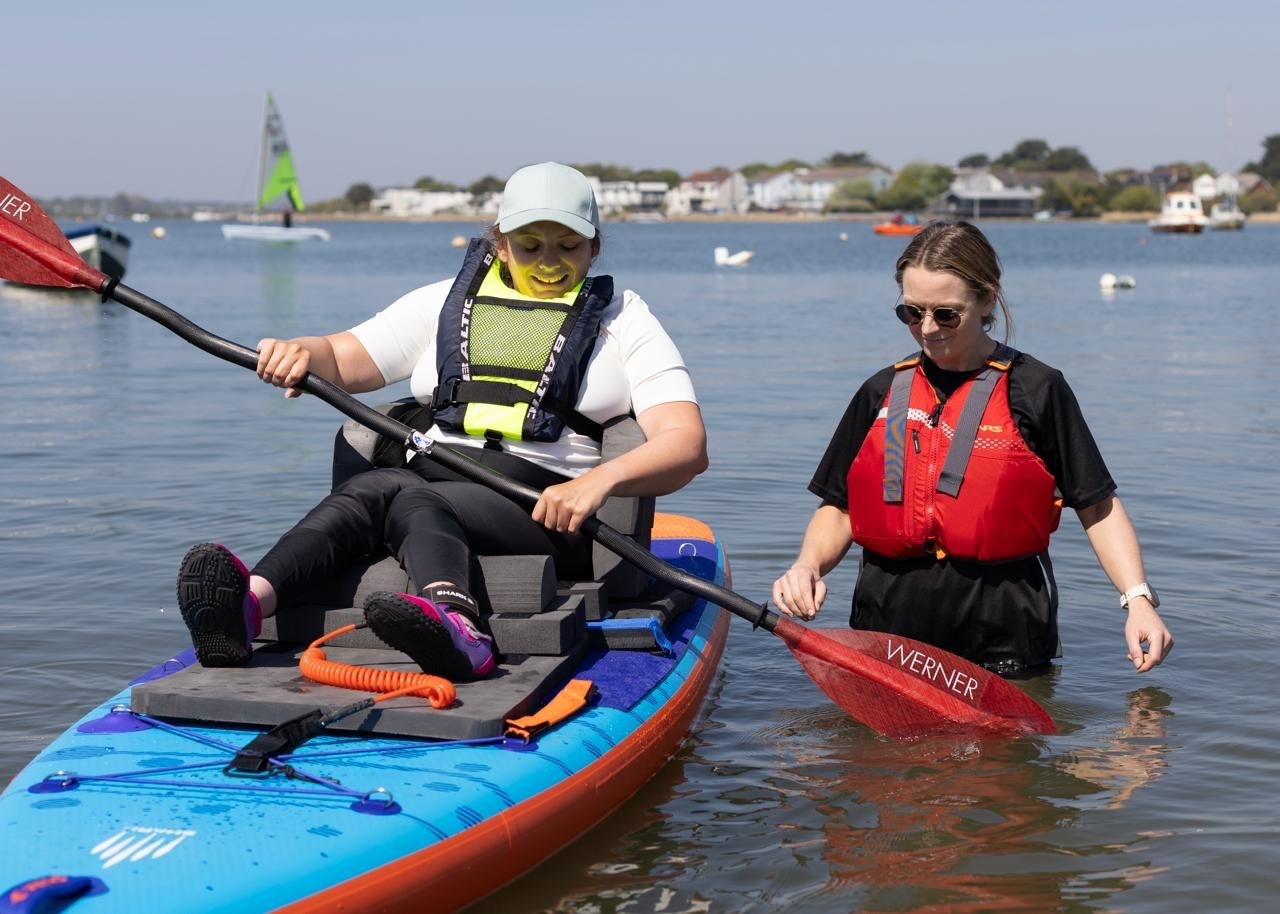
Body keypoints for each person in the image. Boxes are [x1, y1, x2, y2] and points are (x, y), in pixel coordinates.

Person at [177, 162, 708, 680]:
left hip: (546, 507)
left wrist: (600, 480)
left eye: (568, 246)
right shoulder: (444, 304)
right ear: (500, 244)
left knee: (405, 492)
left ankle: (460, 629)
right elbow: (343, 357)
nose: (550, 261)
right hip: (429, 477)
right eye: (530, 246)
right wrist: (301, 351)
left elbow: (686, 444)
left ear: (594, 246)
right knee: (376, 490)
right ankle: (245, 607)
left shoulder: (626, 320)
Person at [772, 220, 1172, 677]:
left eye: (946, 313)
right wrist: (807, 566)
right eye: (911, 312)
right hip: (887, 638)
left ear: (986, 299)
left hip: (1004, 643)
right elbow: (840, 507)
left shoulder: (1038, 390)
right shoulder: (879, 391)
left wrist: (1137, 601)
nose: (927, 328)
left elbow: (1097, 506)